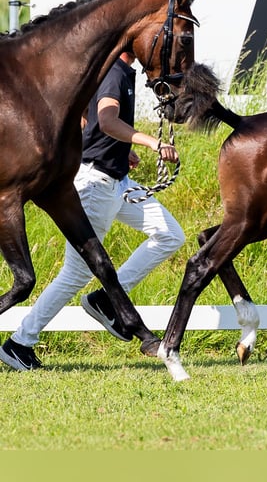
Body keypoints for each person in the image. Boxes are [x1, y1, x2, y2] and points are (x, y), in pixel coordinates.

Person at [0, 51, 185, 371]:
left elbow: (88, 117)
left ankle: (105, 300)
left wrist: (117, 150)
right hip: (96, 185)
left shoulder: (121, 72)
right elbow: (108, 119)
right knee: (76, 274)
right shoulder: (114, 72)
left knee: (170, 234)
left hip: (118, 181)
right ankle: (20, 342)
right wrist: (148, 143)